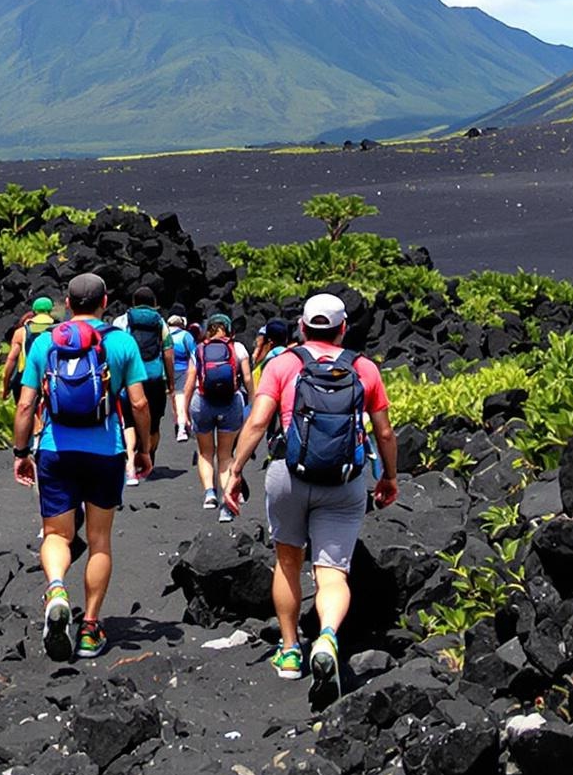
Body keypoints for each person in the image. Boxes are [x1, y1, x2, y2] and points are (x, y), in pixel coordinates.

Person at [222, 292, 399, 708]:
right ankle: (327, 637)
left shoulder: (283, 364)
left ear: (302, 327)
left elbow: (259, 420)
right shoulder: (364, 368)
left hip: (288, 473)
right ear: (342, 329)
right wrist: (389, 477)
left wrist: (235, 469)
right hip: (344, 480)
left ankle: (288, 650)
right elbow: (385, 433)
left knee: (287, 560)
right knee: (332, 572)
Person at [12, 272, 154, 661]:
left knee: (56, 533)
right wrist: (143, 448)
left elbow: (26, 404)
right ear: (105, 302)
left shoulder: (44, 343)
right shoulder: (121, 342)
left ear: (68, 304)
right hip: (105, 451)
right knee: (100, 540)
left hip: (56, 450)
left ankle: (57, 588)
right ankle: (90, 627)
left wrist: (21, 452)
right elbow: (139, 403)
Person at [184, 313, 252, 519]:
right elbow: (247, 379)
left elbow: (190, 382)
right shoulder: (238, 348)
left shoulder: (199, 349)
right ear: (229, 329)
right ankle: (226, 501)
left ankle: (209, 494)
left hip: (202, 403)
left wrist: (182, 411)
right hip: (230, 403)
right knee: (225, 455)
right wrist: (254, 404)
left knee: (205, 453)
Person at [122, 287, 171, 484]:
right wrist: (171, 380)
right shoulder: (160, 322)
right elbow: (168, 352)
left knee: (129, 422)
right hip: (154, 377)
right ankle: (148, 456)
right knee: (155, 422)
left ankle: (131, 462)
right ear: (154, 302)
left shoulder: (125, 320)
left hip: (131, 377)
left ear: (133, 301)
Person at [1, 297, 55, 400]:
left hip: (25, 378)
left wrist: (6, 386)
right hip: (52, 377)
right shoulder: (59, 328)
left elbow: (11, 360)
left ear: (34, 311)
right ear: (50, 310)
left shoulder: (21, 332)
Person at [165, 313, 197, 443]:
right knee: (181, 400)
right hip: (183, 371)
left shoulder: (164, 336)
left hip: (167, 372)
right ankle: (182, 428)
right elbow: (194, 354)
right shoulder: (185, 336)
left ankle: (181, 424)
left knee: (174, 401)